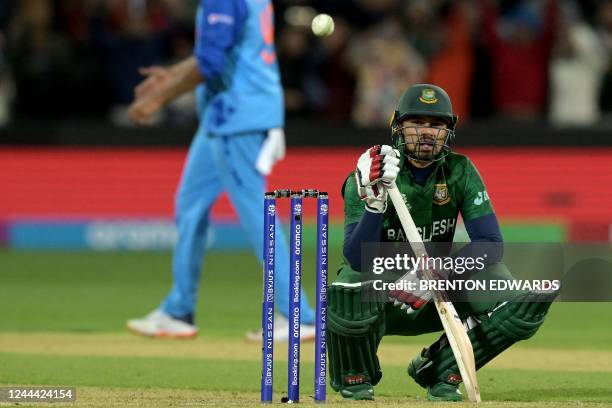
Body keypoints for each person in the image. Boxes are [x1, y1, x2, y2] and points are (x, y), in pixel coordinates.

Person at [327, 83, 556, 401]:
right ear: (398, 127)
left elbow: (491, 244)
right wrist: (373, 206)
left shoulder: (460, 170)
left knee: (516, 304)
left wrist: (443, 270)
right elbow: (355, 258)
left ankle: (439, 370)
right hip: (381, 296)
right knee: (349, 290)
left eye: (436, 125)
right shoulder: (372, 172)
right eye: (416, 124)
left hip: (436, 294)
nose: (426, 133)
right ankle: (355, 376)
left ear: (448, 131)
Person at [126, 0, 316, 339]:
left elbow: (210, 64)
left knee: (256, 213)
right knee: (190, 206)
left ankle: (297, 314)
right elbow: (222, 48)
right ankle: (178, 310)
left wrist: (159, 98)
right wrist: (173, 76)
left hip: (237, 117)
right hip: (225, 115)